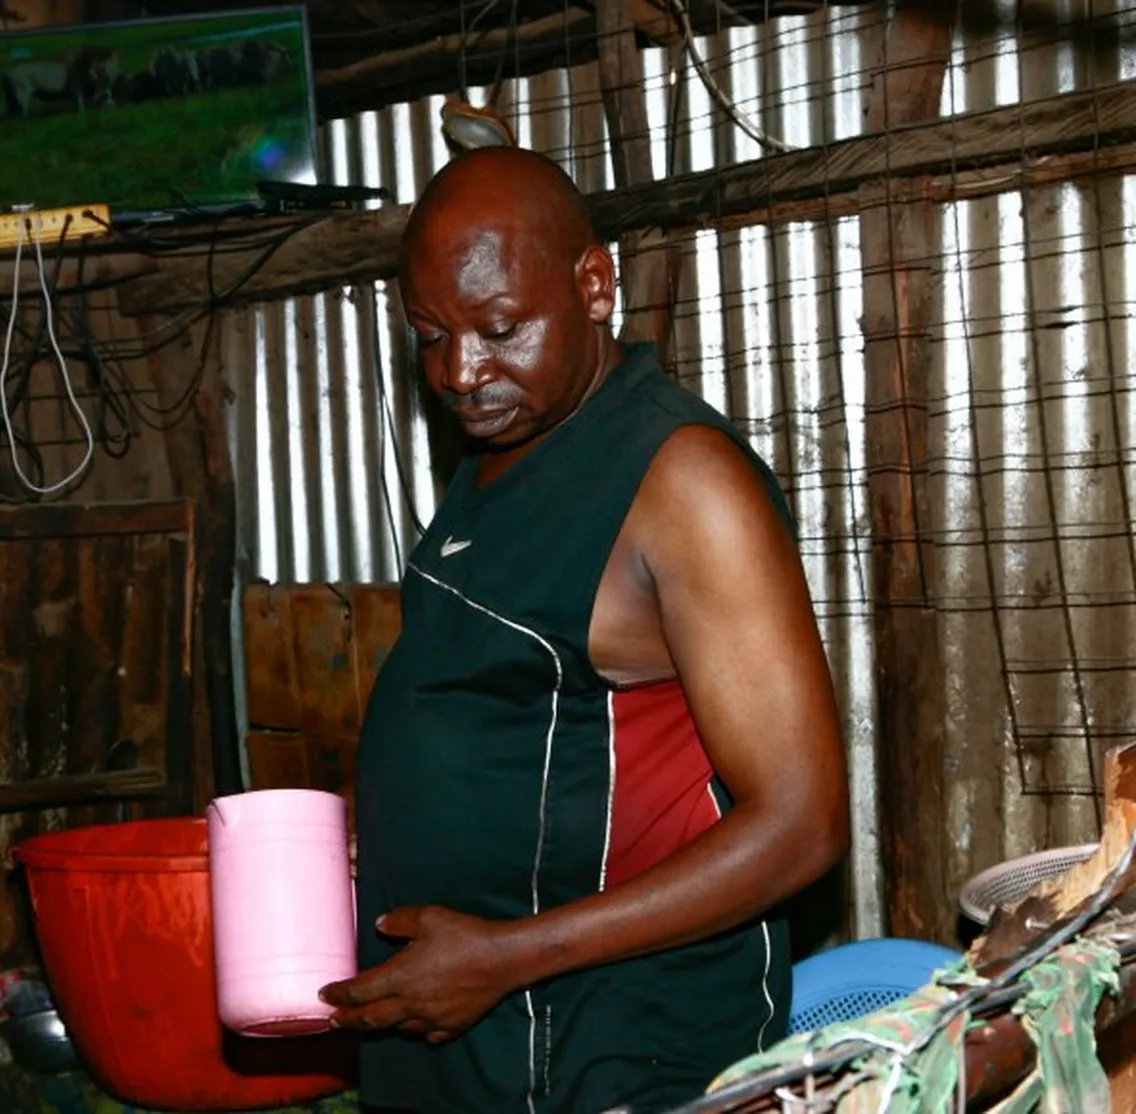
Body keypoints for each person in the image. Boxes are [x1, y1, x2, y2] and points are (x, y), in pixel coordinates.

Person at [318, 146, 850, 1114]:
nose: (461, 372)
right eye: (430, 334)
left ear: (595, 285)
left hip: (603, 1045)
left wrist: (509, 956)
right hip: (478, 1023)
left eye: (499, 328)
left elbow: (801, 824)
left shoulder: (681, 483)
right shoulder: (510, 440)